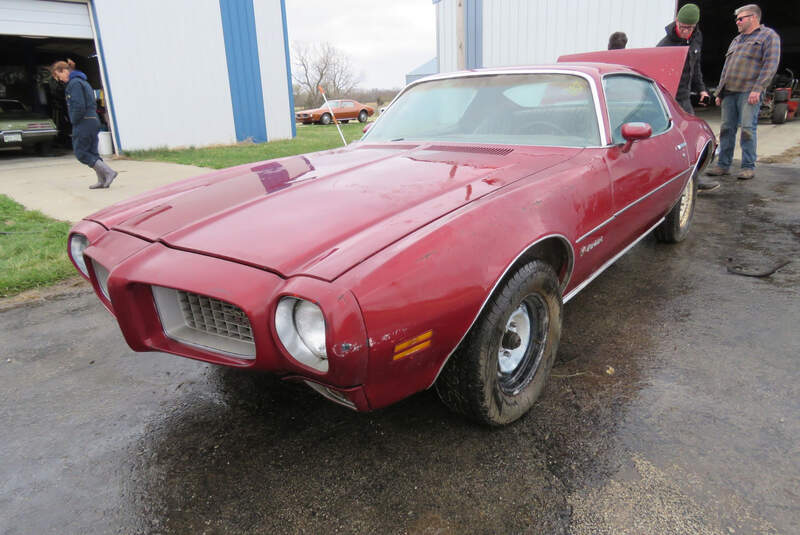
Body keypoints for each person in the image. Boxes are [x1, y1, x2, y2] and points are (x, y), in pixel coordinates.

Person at [706, 4, 780, 181]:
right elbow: (727, 67)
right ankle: (723, 165)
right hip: (729, 92)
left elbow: (770, 65)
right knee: (726, 129)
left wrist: (758, 88)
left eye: (740, 18)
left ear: (753, 18)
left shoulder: (769, 36)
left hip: (749, 92)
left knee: (747, 128)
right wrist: (720, 92)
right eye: (736, 19)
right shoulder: (737, 40)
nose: (737, 22)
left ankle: (748, 166)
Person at [50, 60, 117, 189]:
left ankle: (108, 172)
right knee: (92, 152)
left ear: (64, 71)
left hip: (83, 121)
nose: (60, 80)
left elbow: (78, 105)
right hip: (92, 119)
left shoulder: (74, 84)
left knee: (81, 152)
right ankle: (102, 180)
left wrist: (73, 120)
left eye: (59, 76)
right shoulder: (82, 81)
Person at [657, 4, 710, 115]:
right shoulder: (664, 46)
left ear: (695, 25)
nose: (685, 31)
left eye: (689, 27)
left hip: (685, 96)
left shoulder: (697, 38)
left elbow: (696, 66)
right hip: (667, 97)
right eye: (682, 27)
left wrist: (702, 90)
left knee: (689, 126)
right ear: (676, 21)